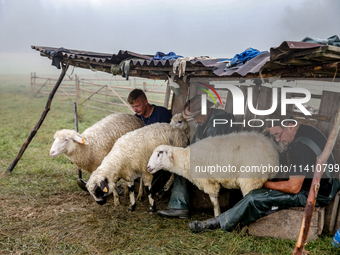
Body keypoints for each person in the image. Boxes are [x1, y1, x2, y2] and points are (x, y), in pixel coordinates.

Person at [189, 116, 340, 233]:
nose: (277, 139)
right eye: (274, 136)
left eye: (278, 134)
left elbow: (294, 188)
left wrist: (263, 183)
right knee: (263, 190)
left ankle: (216, 224)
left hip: (316, 193)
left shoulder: (300, 149)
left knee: (254, 197)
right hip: (329, 184)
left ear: (289, 126)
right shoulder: (307, 130)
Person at [157, 94, 235, 218]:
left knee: (182, 167)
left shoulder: (217, 124)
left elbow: (213, 152)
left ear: (205, 112)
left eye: (195, 116)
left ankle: (179, 206)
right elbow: (195, 144)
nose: (194, 120)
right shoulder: (204, 123)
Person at [127, 88, 173, 193]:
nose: (135, 110)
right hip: (144, 154)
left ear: (146, 102)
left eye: (137, 106)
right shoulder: (136, 119)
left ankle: (156, 188)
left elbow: (169, 137)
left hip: (161, 153)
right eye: (133, 107)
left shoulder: (162, 114)